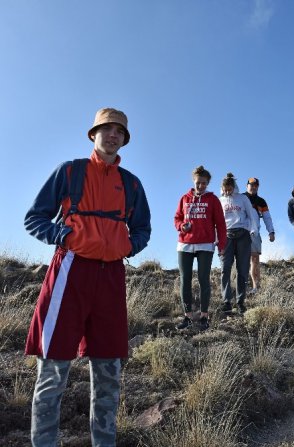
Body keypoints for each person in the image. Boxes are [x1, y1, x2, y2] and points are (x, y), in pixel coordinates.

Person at [24, 108, 151, 446]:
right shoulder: (70, 171)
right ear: (93, 134)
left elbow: (143, 229)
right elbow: (34, 218)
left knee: (109, 372)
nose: (113, 135)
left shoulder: (131, 184)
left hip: (111, 277)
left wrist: (127, 246)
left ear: (124, 139)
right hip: (69, 273)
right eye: (106, 129)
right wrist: (65, 237)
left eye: (119, 131)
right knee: (53, 371)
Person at [174, 166, 227, 331]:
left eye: (204, 183)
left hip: (205, 245)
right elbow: (177, 218)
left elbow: (221, 224)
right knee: (185, 280)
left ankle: (204, 316)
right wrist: (182, 226)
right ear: (193, 181)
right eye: (198, 183)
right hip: (185, 244)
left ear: (208, 183)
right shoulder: (184, 198)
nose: (200, 186)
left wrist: (222, 245)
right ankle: (188, 316)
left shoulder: (213, 200)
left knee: (204, 279)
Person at [219, 173, 258, 315]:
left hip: (242, 235)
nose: (227, 192)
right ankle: (226, 302)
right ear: (222, 188)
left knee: (242, 270)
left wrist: (253, 230)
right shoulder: (220, 200)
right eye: (225, 190)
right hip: (226, 236)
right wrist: (217, 239)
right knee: (225, 269)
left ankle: (240, 302)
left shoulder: (242, 198)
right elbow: (217, 221)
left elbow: (251, 214)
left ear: (233, 187)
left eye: (229, 189)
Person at [243, 177, 275, 294]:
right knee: (242, 260)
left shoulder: (261, 201)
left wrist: (271, 231)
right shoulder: (240, 197)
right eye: (251, 185)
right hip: (240, 232)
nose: (254, 187)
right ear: (247, 185)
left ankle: (256, 287)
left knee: (255, 259)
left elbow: (267, 217)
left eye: (256, 185)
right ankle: (242, 287)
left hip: (255, 233)